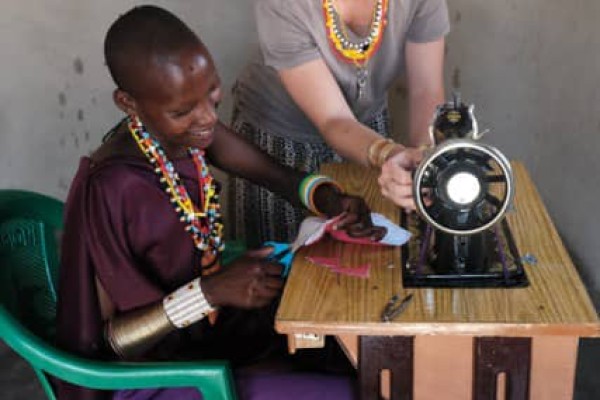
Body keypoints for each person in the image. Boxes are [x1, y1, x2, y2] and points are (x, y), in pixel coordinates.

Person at [55, 5, 386, 400]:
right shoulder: (112, 187)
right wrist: (209, 292)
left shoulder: (183, 137)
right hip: (153, 377)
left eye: (212, 92)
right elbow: (113, 343)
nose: (208, 117)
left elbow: (277, 176)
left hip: (205, 338)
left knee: (355, 349)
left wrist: (330, 199)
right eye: (183, 110)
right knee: (359, 389)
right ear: (128, 103)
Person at [229, 0, 450, 246]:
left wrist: (424, 163)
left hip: (369, 131)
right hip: (279, 141)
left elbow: (426, 89)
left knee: (369, 253)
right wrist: (390, 154)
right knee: (283, 260)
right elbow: (334, 119)